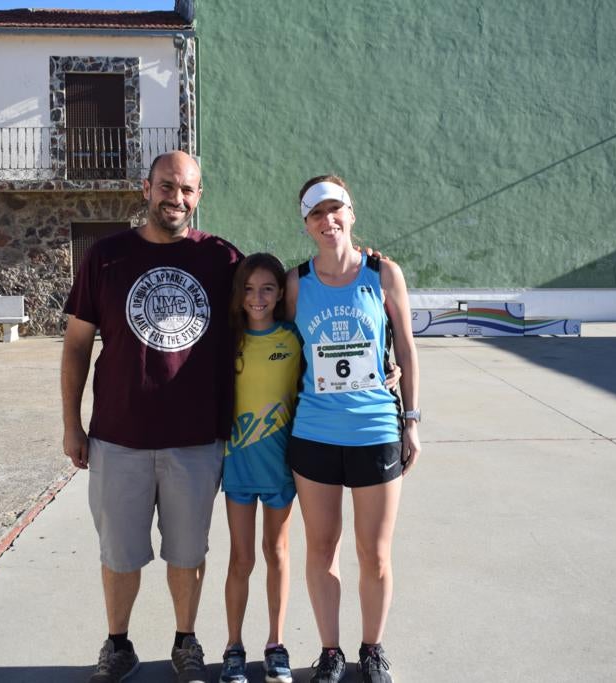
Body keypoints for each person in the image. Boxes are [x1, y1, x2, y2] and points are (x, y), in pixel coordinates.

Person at [62, 151, 243, 683]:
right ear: (146, 188)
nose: (176, 198)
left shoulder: (223, 260)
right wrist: (72, 423)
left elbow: (274, 307)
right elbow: (76, 345)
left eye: (187, 190)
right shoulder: (107, 257)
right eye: (167, 186)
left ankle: (185, 641)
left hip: (195, 438)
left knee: (188, 552)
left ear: (199, 196)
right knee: (119, 554)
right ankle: (118, 644)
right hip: (119, 437)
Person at [284, 175, 421, 683]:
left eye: (335, 209)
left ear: (352, 212)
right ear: (306, 224)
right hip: (315, 433)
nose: (328, 221)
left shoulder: (383, 273)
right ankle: (330, 651)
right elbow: (277, 345)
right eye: (317, 214)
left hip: (375, 431)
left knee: (375, 553)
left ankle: (372, 647)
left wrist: (411, 420)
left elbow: (405, 348)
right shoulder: (296, 283)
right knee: (321, 549)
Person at [219, 253, 302, 683]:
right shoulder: (227, 341)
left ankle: (276, 644)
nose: (258, 297)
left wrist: (390, 365)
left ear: (281, 293)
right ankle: (234, 646)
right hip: (237, 466)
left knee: (278, 553)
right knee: (241, 558)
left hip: (281, 469)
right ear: (239, 294)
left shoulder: (293, 339)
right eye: (249, 289)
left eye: (268, 288)